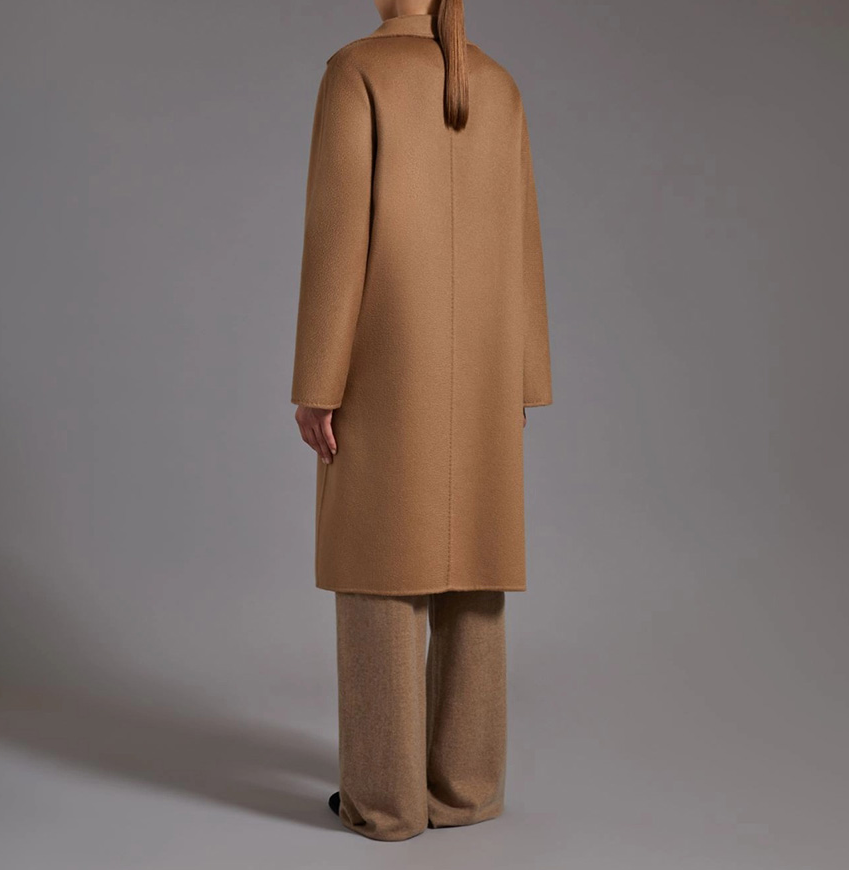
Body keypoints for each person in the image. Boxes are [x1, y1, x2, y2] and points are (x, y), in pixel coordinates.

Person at [290, 0, 553, 841]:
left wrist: (317, 380)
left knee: (377, 564)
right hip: (484, 367)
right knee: (475, 562)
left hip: (386, 362)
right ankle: (465, 790)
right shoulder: (499, 86)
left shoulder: (357, 71)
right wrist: (525, 377)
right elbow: (522, 238)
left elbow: (338, 237)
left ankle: (386, 801)